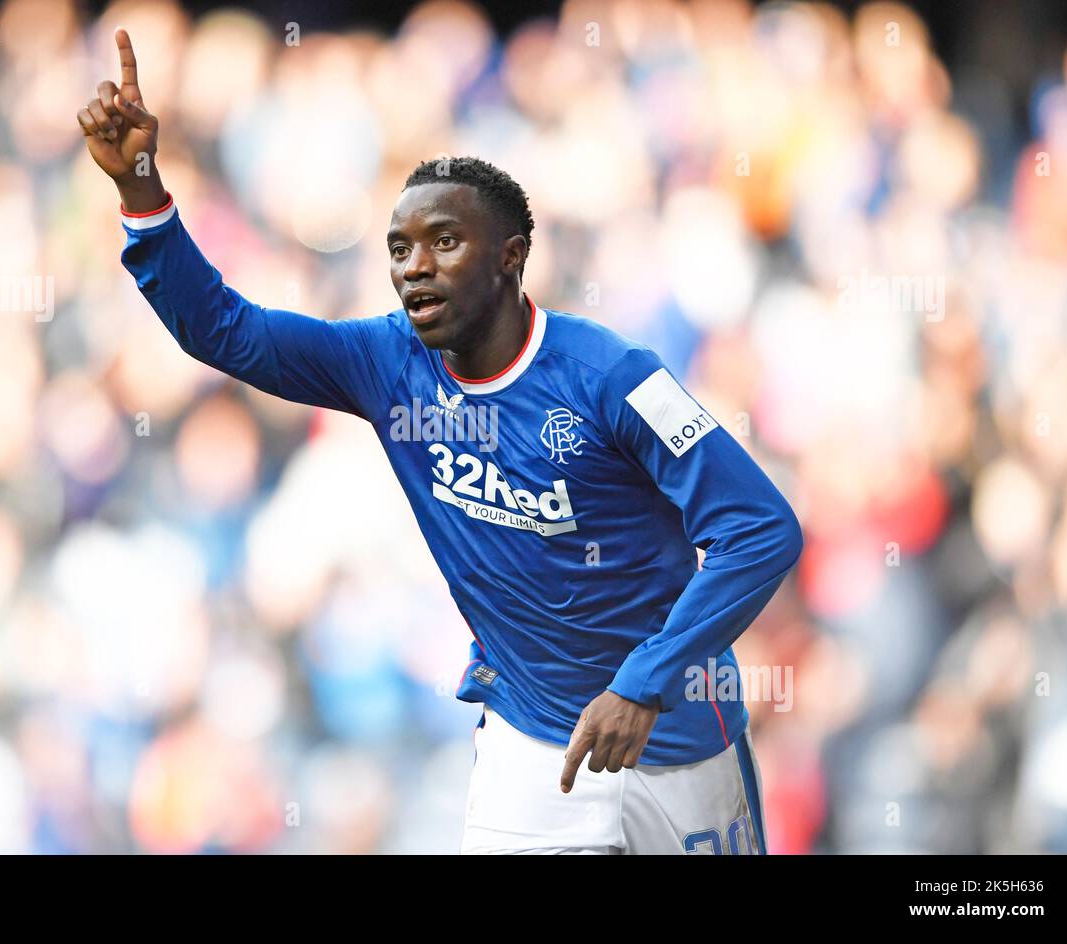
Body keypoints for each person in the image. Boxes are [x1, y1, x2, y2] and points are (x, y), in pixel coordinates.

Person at [77, 28, 803, 855]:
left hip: (672, 742)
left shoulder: (615, 378)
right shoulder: (385, 363)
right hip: (532, 747)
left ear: (511, 258)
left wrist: (643, 682)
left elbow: (759, 529)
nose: (414, 267)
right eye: (399, 248)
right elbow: (224, 330)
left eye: (445, 243)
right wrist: (140, 185)